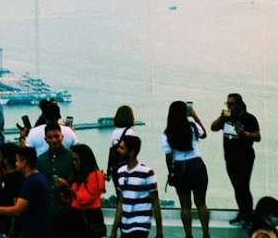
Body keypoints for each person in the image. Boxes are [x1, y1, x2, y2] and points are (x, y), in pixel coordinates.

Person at [0, 146, 50, 238]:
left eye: (18, 160)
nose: (16, 163)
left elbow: (17, 210)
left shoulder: (30, 182)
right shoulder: (38, 178)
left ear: (24, 162)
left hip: (28, 231)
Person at [210, 92, 260, 226]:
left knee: (243, 186)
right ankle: (242, 212)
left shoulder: (249, 118)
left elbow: (258, 137)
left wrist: (244, 133)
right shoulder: (226, 117)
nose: (229, 106)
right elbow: (213, 128)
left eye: (231, 104)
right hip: (230, 157)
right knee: (237, 187)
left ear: (239, 104)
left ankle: (249, 215)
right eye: (227, 103)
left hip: (245, 157)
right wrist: (221, 118)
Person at [161, 100, 209, 238]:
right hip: (197, 165)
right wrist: (195, 116)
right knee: (201, 203)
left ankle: (189, 235)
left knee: (185, 206)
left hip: (180, 168)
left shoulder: (167, 133)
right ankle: (206, 234)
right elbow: (204, 134)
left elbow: (168, 156)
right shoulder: (192, 126)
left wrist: (171, 172)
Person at [111, 135, 163, 238]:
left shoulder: (147, 172)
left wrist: (159, 231)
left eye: (122, 148)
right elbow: (121, 203)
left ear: (131, 152)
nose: (118, 150)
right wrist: (114, 229)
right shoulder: (120, 172)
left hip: (141, 225)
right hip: (125, 226)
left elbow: (155, 202)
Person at [35, 122, 72, 236]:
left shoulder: (72, 157)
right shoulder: (40, 160)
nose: (54, 140)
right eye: (50, 137)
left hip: (69, 212)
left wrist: (67, 185)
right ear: (45, 140)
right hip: (48, 212)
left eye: (57, 136)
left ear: (62, 137)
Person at [60, 144, 105, 238]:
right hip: (75, 216)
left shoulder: (95, 175)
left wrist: (68, 187)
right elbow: (71, 199)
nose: (74, 163)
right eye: (73, 160)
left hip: (89, 217)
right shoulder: (77, 174)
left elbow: (85, 199)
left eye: (76, 160)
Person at [0, 142, 24, 238]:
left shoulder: (16, 179)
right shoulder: (6, 175)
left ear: (6, 160)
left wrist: (12, 233)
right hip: (1, 226)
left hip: (8, 230)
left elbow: (16, 210)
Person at [106, 106, 136, 181]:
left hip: (116, 168)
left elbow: (113, 150)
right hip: (127, 167)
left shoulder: (114, 132)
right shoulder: (130, 132)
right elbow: (132, 151)